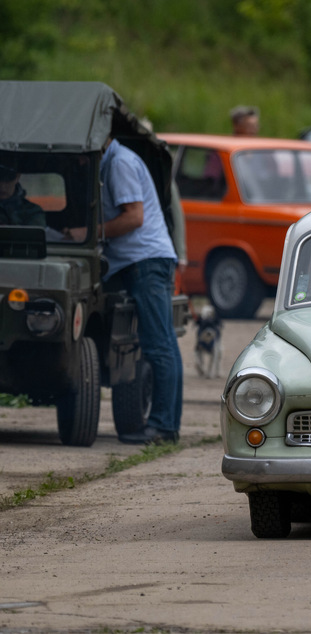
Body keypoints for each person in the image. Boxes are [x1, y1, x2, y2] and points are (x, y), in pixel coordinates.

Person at [99, 137, 184, 444]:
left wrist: (94, 232)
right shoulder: (117, 159)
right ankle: (168, 426)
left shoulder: (119, 162)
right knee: (165, 345)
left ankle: (163, 426)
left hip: (145, 262)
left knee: (159, 345)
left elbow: (134, 216)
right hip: (146, 260)